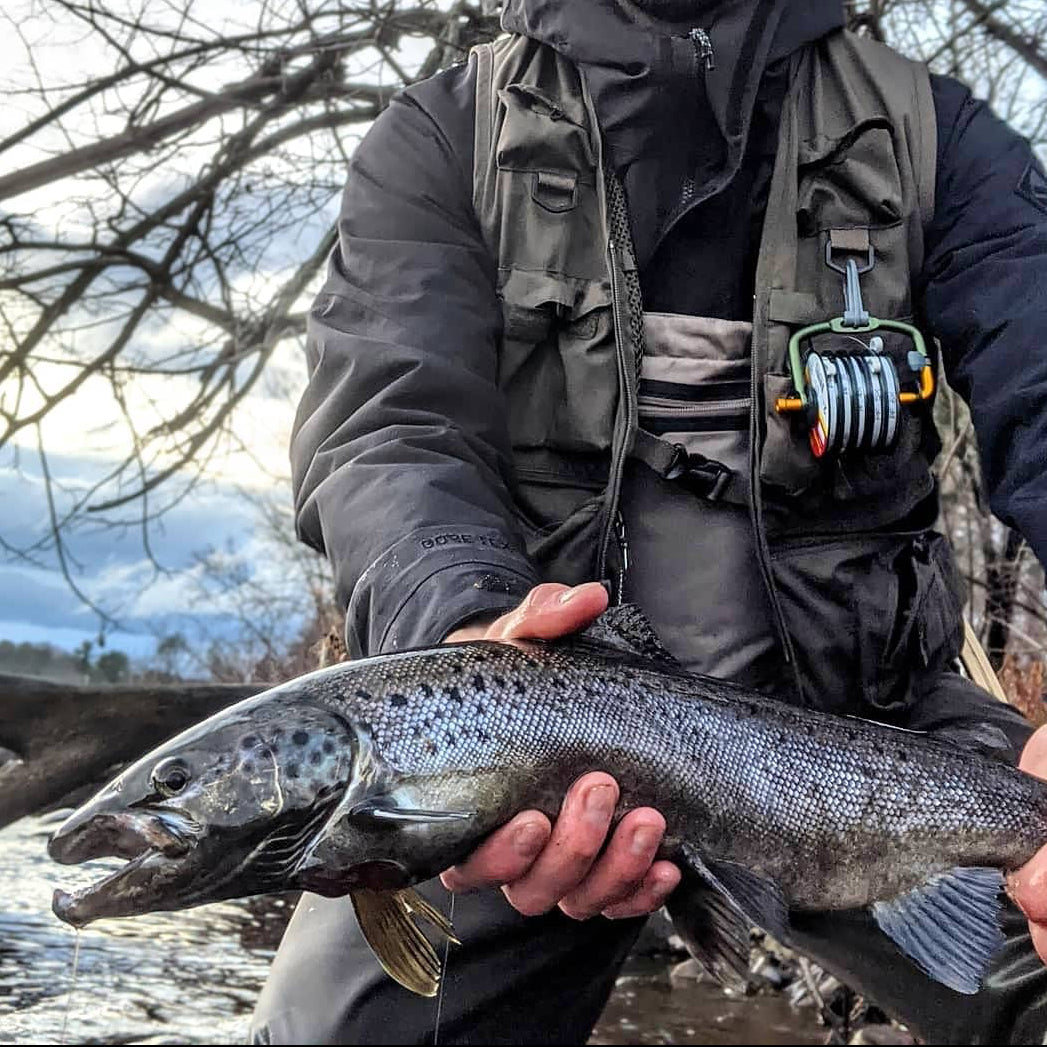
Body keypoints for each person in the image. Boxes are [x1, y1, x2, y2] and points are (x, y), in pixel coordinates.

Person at [252, 0, 1047, 1042]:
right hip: (534, 753)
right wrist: (466, 634)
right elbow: (391, 435)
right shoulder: (445, 136)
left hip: (870, 735)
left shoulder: (938, 136)